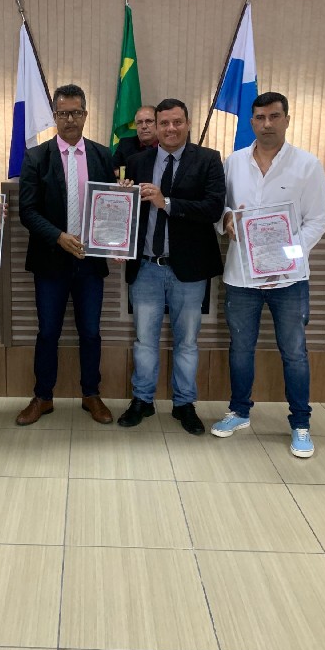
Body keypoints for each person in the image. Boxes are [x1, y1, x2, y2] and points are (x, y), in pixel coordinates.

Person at [211, 92, 325, 457]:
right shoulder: (233, 162)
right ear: (252, 122)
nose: (267, 124)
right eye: (260, 117)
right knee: (241, 349)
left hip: (289, 281)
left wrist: (285, 259)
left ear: (287, 120)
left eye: (274, 117)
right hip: (242, 278)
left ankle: (301, 424)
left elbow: (317, 221)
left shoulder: (307, 165)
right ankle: (239, 411)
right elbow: (220, 209)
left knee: (294, 353)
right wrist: (226, 221)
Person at [118, 98, 225, 433]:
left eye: (177, 122)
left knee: (187, 342)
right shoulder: (136, 162)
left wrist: (167, 203)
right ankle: (142, 400)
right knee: (144, 341)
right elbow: (127, 212)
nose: (170, 128)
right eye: (163, 123)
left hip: (189, 270)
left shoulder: (208, 159)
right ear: (155, 126)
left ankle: (184, 404)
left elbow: (213, 209)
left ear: (188, 124)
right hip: (146, 267)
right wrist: (120, 224)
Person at [16, 83, 116, 426]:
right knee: (48, 332)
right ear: (55, 116)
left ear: (85, 115)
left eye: (76, 112)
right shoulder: (36, 157)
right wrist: (59, 237)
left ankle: (91, 394)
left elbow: (111, 206)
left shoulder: (103, 155)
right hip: (50, 261)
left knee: (91, 332)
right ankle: (43, 397)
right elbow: (27, 211)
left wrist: (122, 206)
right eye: (63, 113)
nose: (70, 119)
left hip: (90, 262)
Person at [113, 105, 158, 176]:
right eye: (139, 122)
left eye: (149, 121)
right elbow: (111, 168)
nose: (143, 126)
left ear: (159, 123)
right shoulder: (125, 144)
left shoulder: (166, 145)